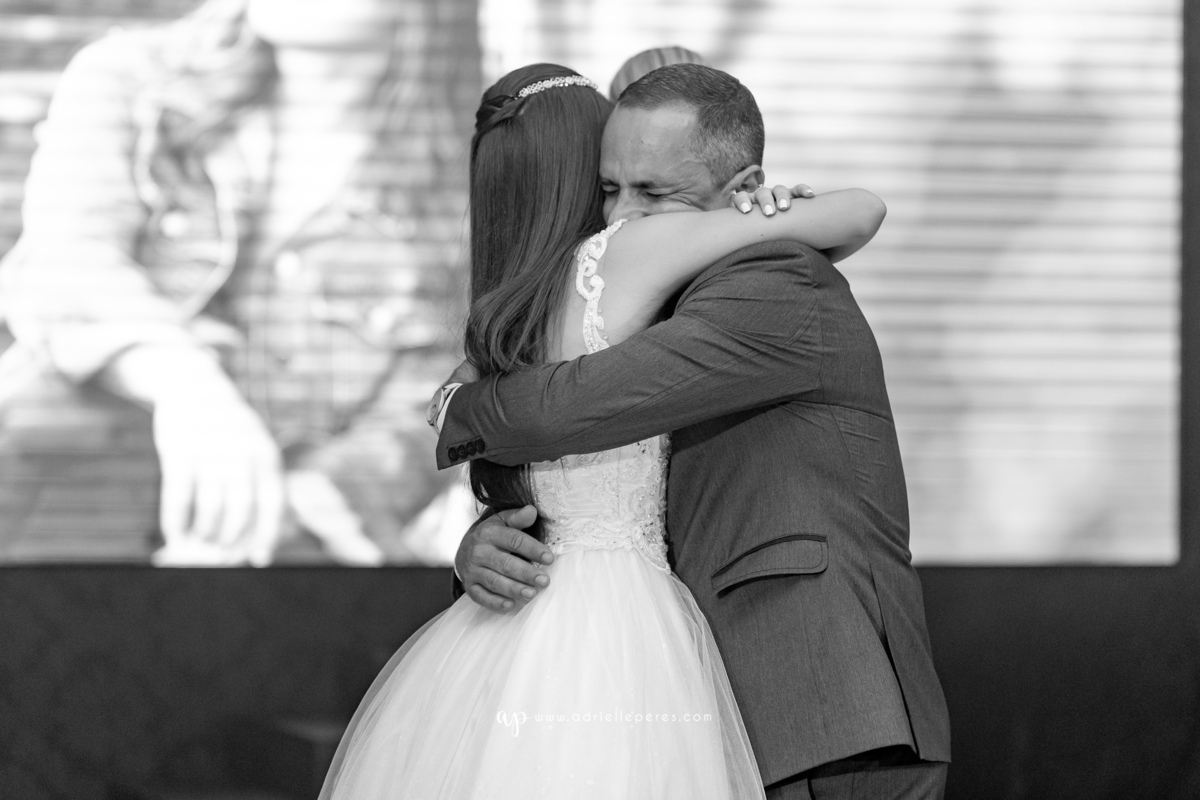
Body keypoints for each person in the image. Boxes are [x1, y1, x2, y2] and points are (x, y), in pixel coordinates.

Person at [319, 62, 885, 798]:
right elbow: (860, 211)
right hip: (622, 624)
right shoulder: (628, 254)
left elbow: (482, 409)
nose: (624, 210)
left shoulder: (510, 308)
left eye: (646, 188)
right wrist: (766, 206)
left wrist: (453, 411)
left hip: (513, 636)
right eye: (608, 184)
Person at [0, 0, 478, 564]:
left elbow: (443, 395)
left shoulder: (471, 178)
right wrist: (189, 386)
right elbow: (64, 264)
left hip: (276, 550)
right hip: (58, 499)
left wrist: (289, 517)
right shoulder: (130, 80)